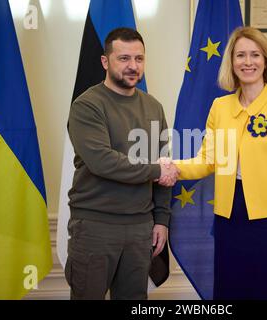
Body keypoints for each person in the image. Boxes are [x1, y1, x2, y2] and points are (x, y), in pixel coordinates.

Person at [171, 26, 267, 300]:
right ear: (231, 62)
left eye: (255, 55)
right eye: (240, 55)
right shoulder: (220, 107)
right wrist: (172, 168)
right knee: (229, 291)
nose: (248, 62)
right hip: (228, 218)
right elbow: (208, 161)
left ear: (266, 60)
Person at [65, 27, 179, 300]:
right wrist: (156, 171)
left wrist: (161, 220)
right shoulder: (87, 105)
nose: (133, 66)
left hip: (141, 228)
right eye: (124, 58)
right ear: (106, 62)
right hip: (95, 227)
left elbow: (164, 166)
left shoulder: (154, 107)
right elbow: (103, 162)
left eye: (139, 59)